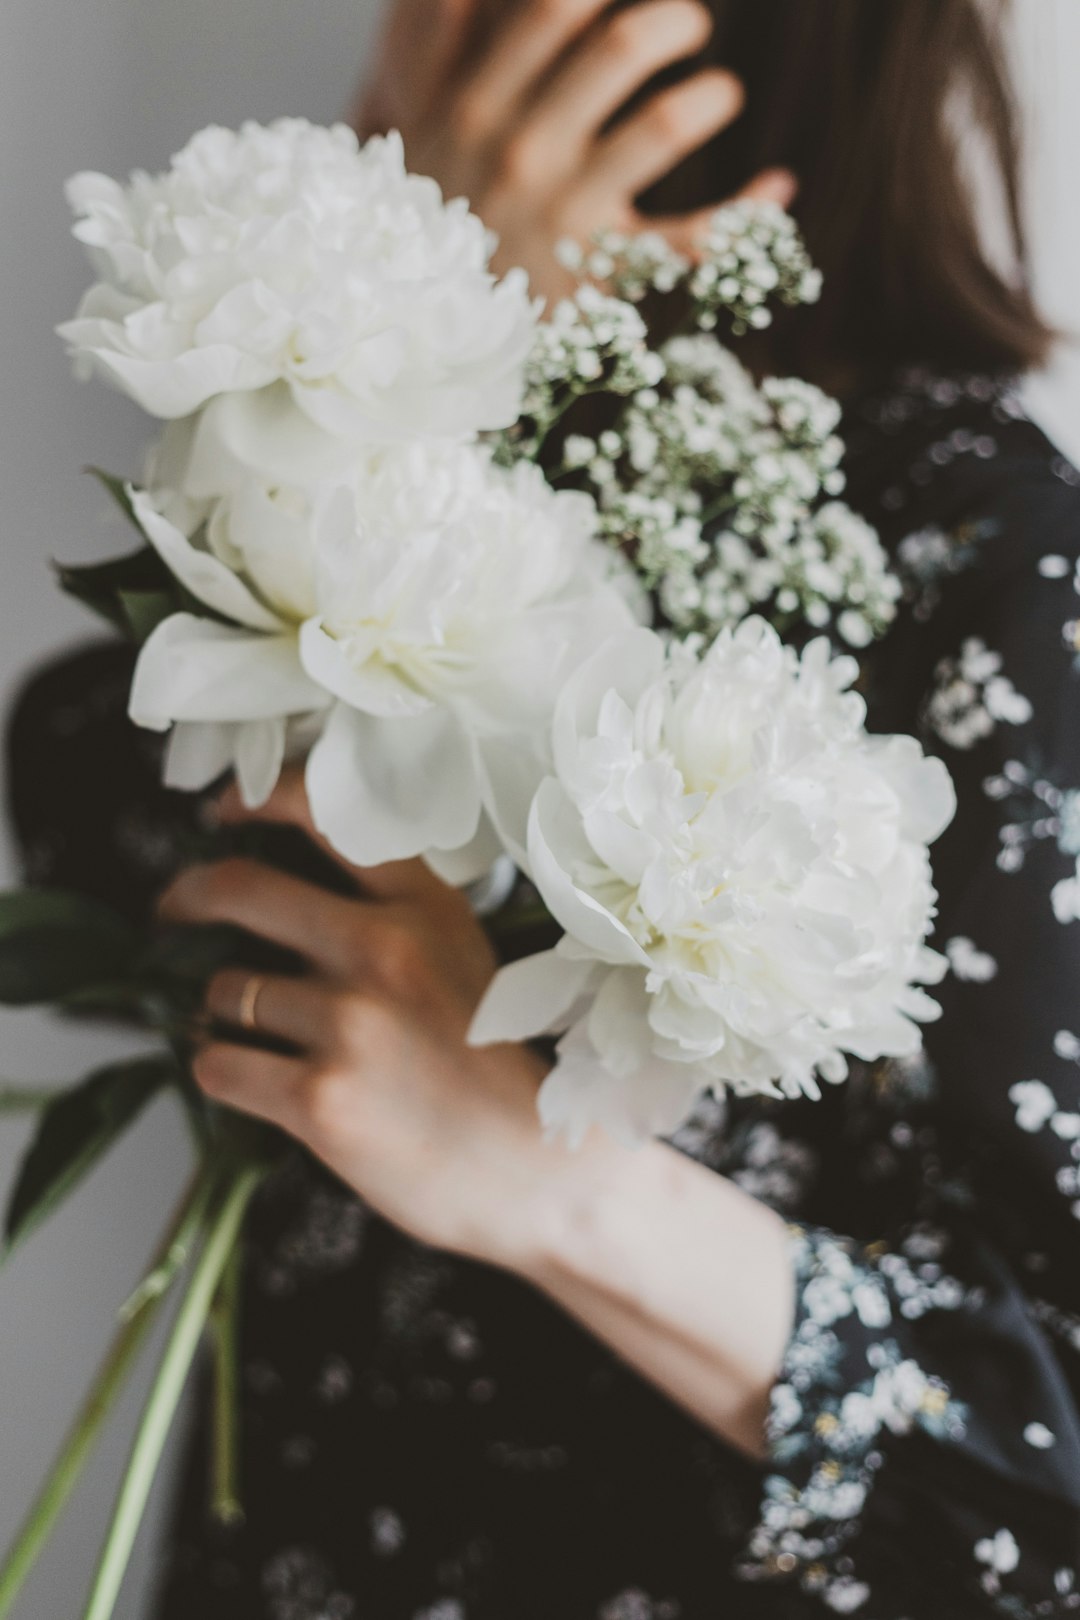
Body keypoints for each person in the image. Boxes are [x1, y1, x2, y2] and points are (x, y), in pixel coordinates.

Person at [8, 1, 1080, 1615]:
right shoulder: (471, 457)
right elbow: (98, 793)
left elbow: (1042, 1468)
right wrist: (403, 347)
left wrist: (555, 1182)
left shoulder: (966, 539)